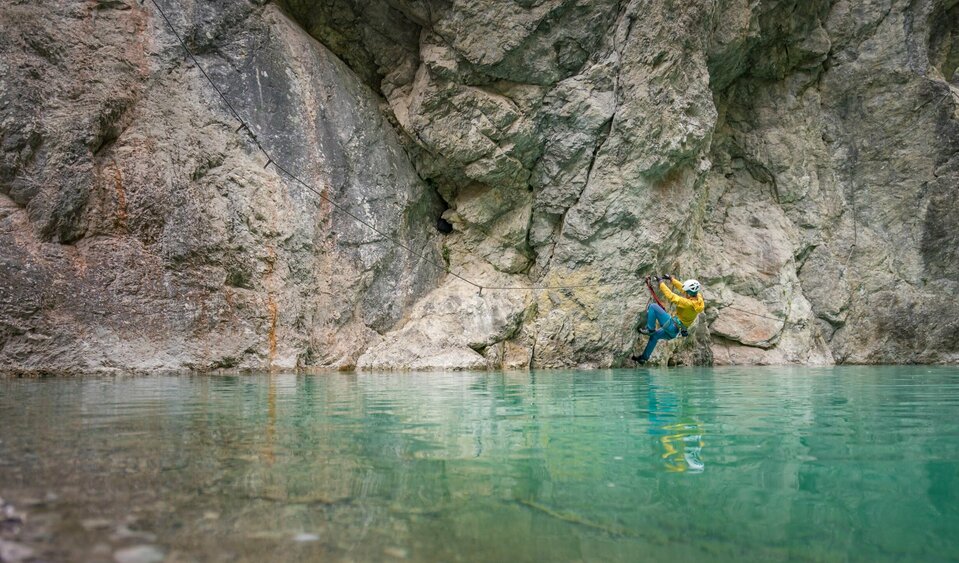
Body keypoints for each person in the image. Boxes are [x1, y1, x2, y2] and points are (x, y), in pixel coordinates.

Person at [632, 275, 704, 364]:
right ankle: (643, 358)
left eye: (686, 292)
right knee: (655, 336)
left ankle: (650, 329)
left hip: (671, 326)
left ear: (689, 294)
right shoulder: (698, 297)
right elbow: (682, 288)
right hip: (674, 332)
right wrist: (671, 279)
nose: (684, 293)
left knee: (653, 306)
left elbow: (671, 296)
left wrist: (661, 282)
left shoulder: (688, 303)